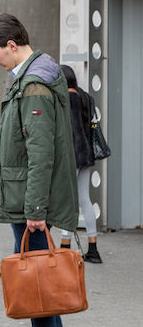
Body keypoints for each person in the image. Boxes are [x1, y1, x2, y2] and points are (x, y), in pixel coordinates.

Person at [0, 13, 78, 327]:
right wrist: (2, 133)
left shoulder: (33, 85)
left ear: (11, 45)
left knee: (38, 288)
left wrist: (35, 209)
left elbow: (41, 152)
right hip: (25, 195)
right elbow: (31, 137)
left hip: (29, 201)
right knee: (44, 285)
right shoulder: (32, 78)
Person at [58, 65, 102, 263]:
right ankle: (93, 248)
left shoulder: (63, 99)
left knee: (68, 201)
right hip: (86, 154)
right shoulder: (86, 97)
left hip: (71, 155)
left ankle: (65, 248)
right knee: (84, 198)